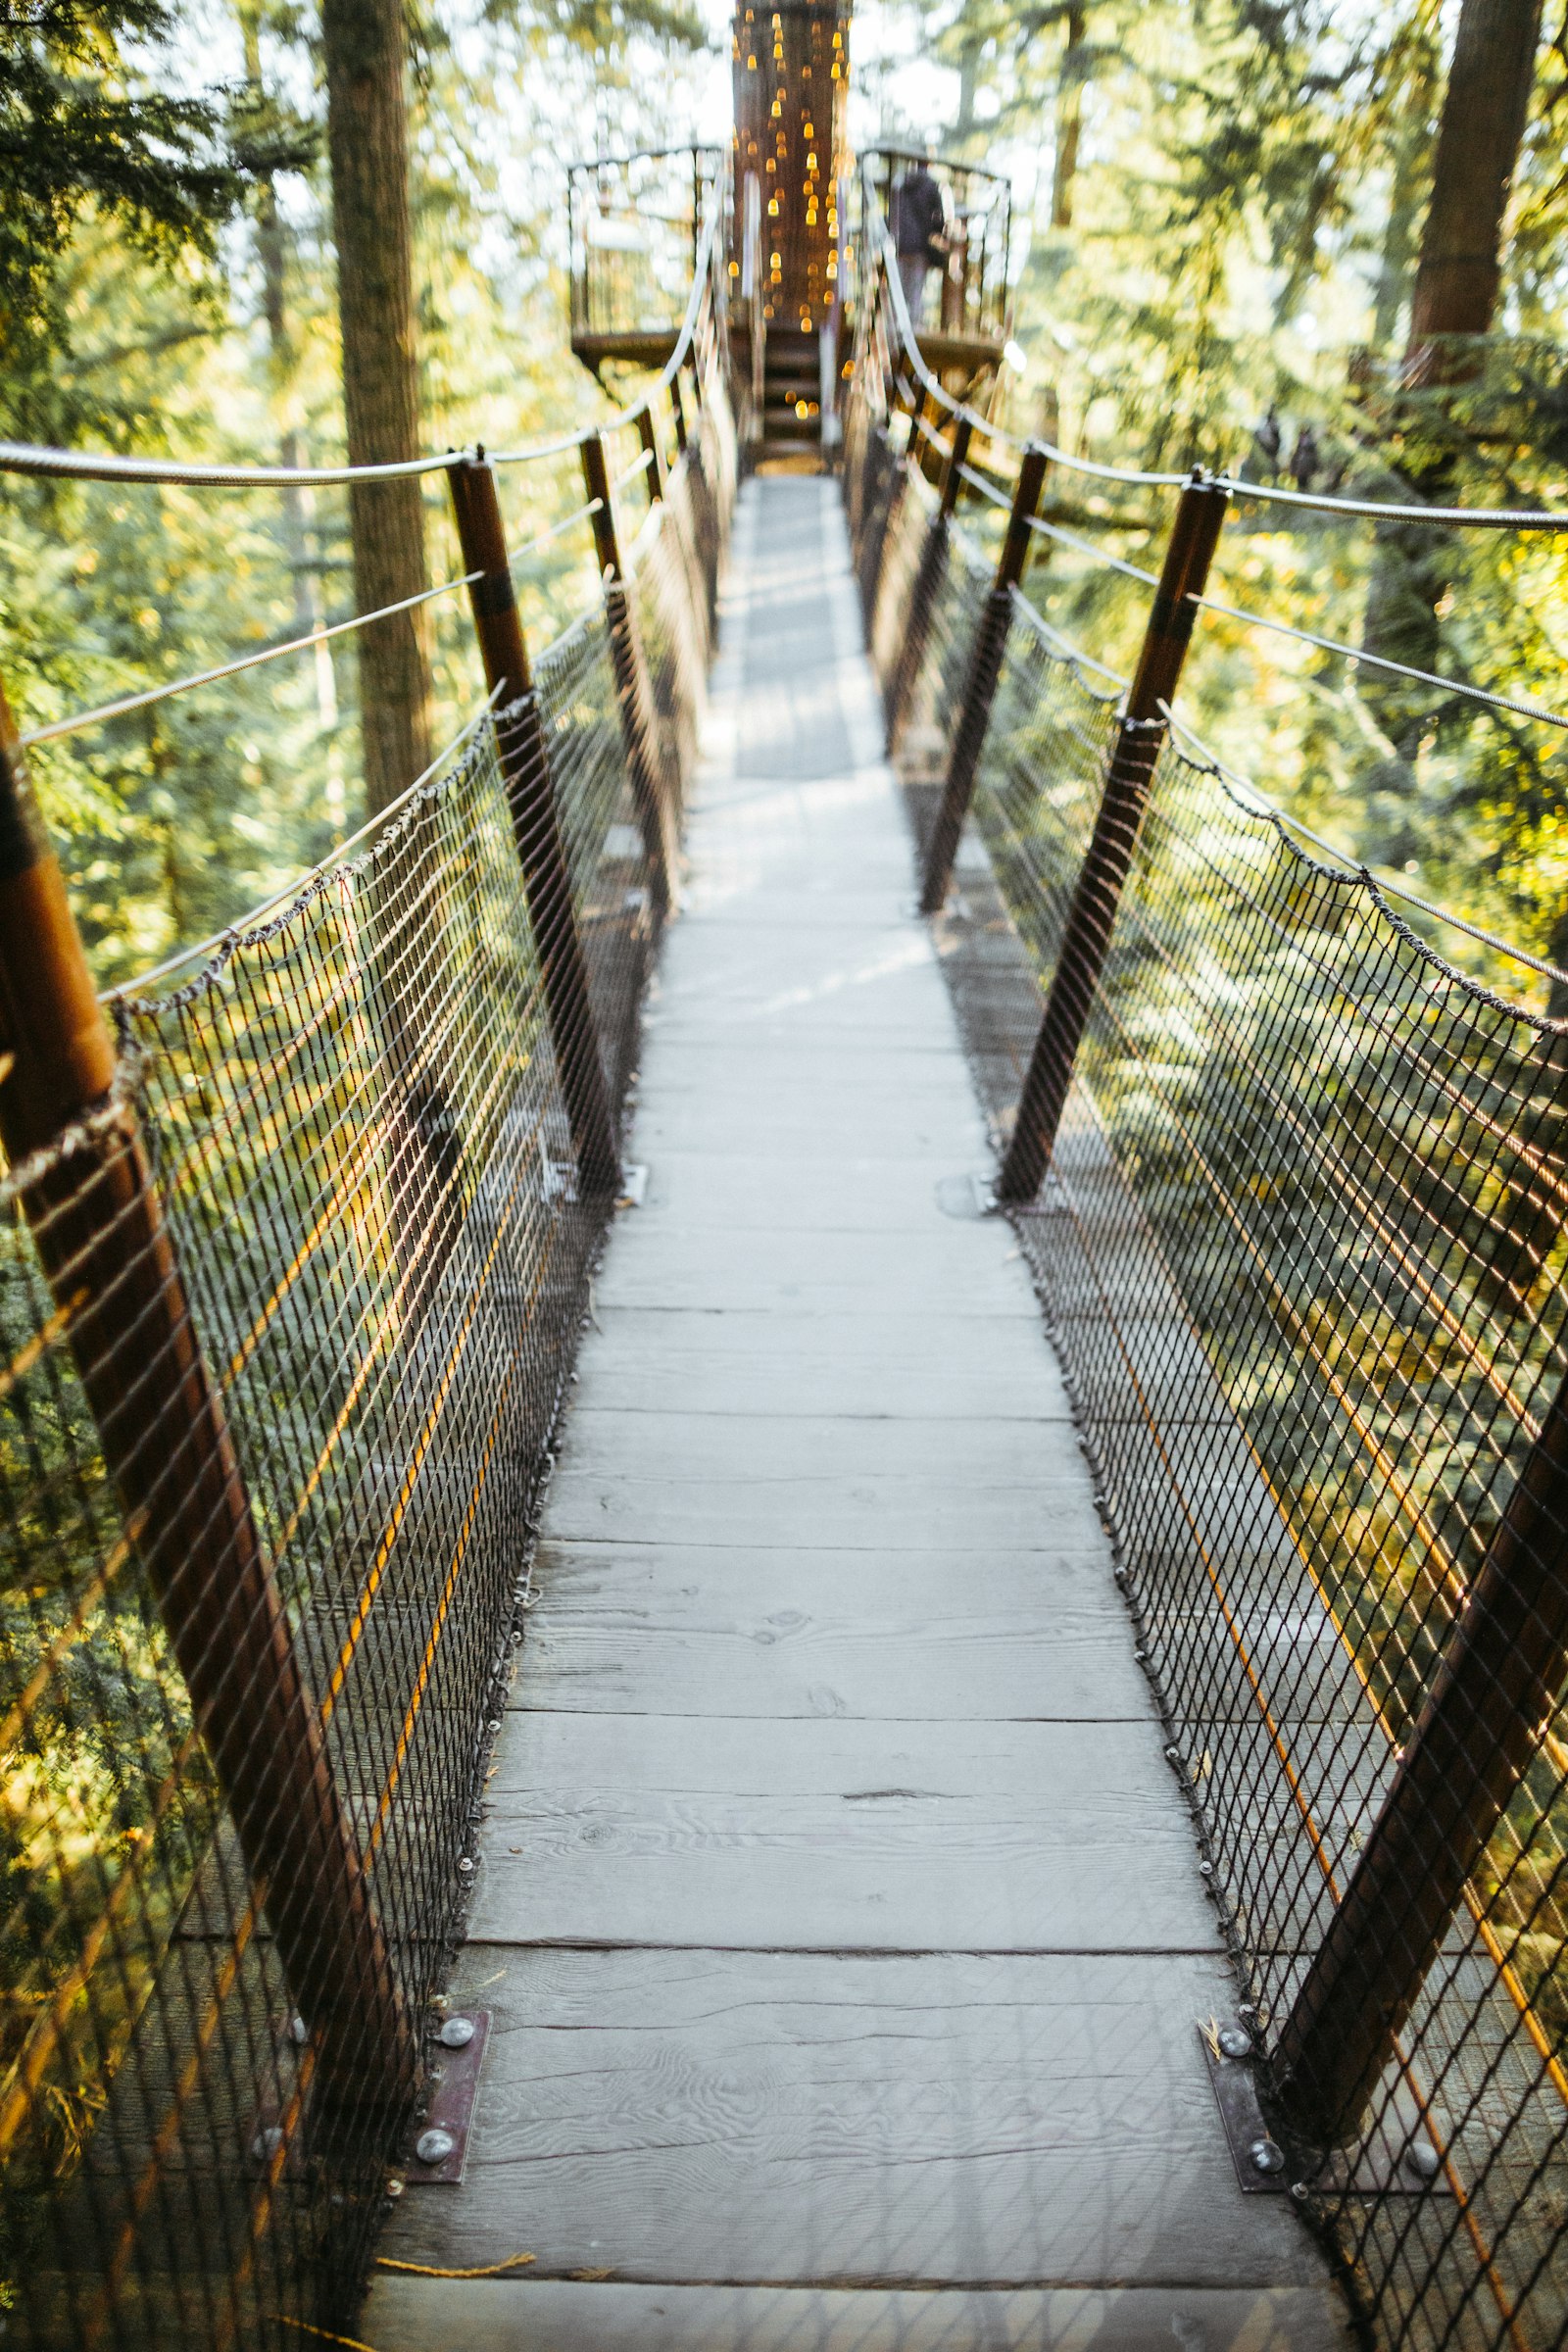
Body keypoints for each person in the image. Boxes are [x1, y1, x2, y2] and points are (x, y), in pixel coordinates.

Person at [892, 154, 946, 329]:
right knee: (915, 291)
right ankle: (912, 331)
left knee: (899, 290)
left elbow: (893, 212)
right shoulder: (930, 186)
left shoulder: (902, 184)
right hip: (919, 247)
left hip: (900, 246)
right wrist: (935, 232)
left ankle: (895, 329)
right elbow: (939, 217)